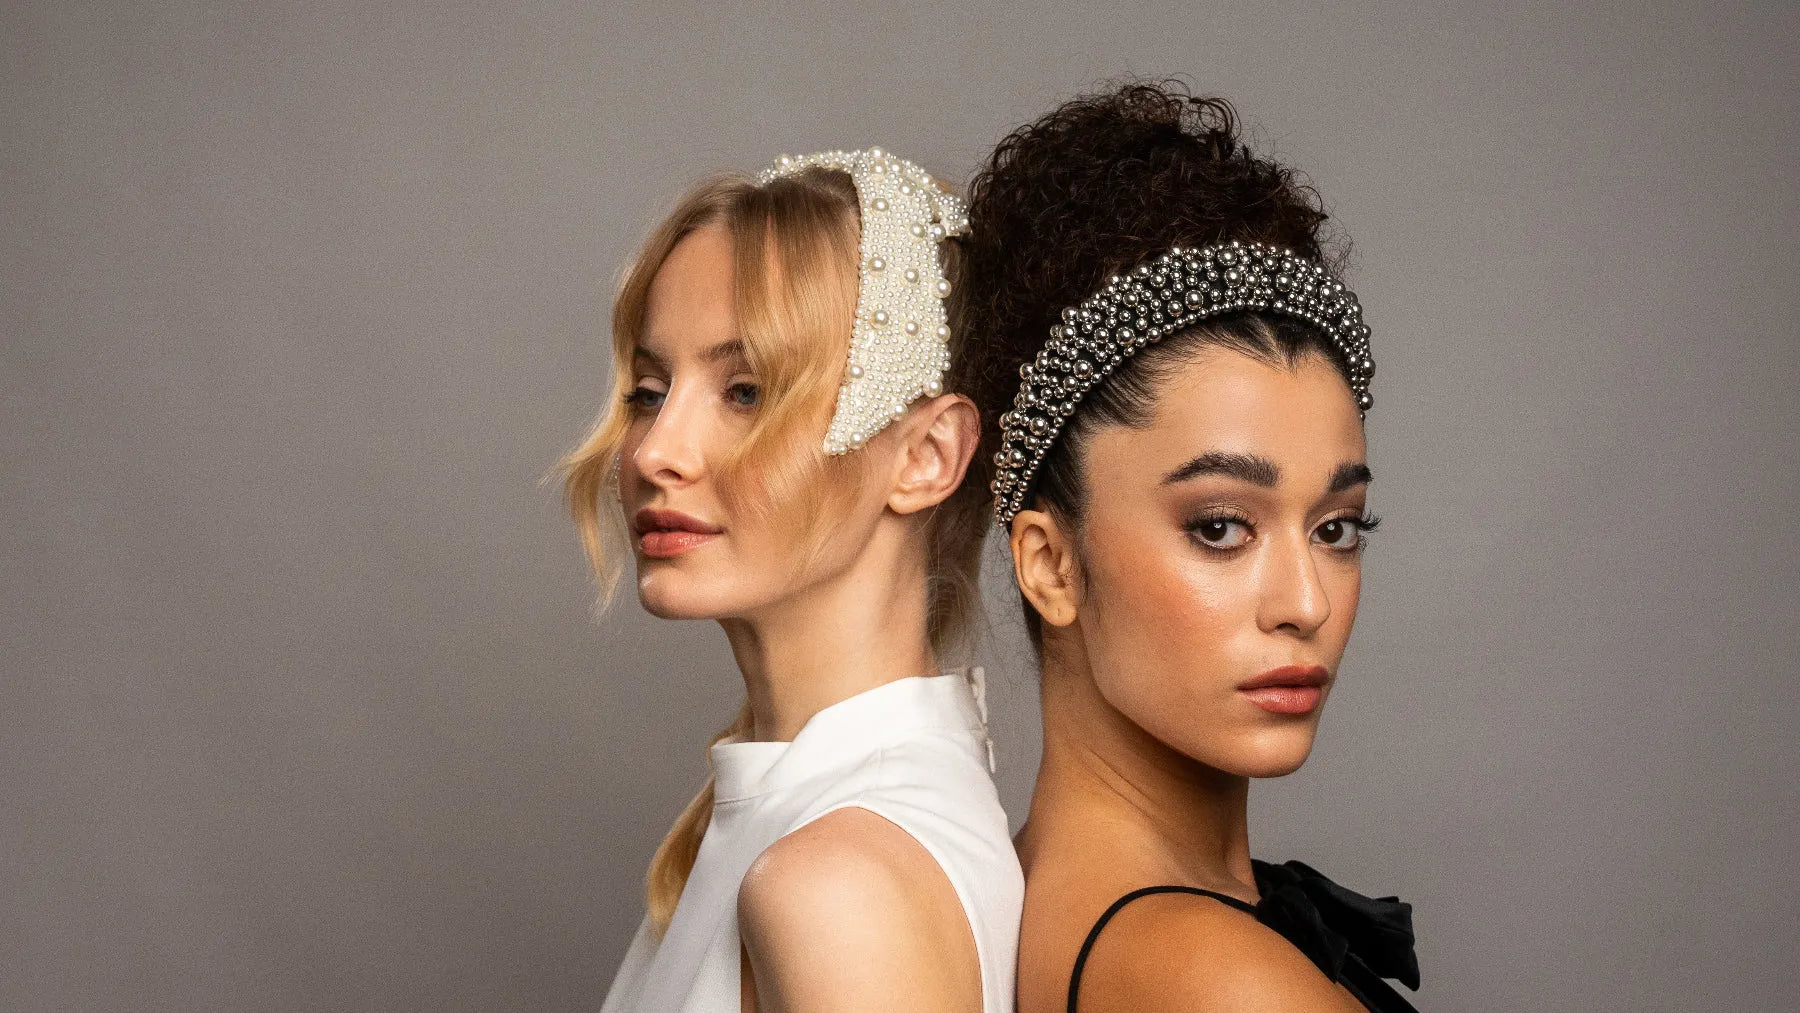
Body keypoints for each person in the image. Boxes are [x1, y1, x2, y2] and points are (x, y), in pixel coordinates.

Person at [951, 83, 1420, 1011]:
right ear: (1049, 563)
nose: (1306, 602)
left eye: (1336, 529)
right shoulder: (1210, 977)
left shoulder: (1047, 910)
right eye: (1221, 527)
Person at [561, 148, 1023, 1011]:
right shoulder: (797, 819)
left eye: (747, 391)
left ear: (925, 457)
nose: (656, 452)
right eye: (651, 392)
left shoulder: (840, 884)